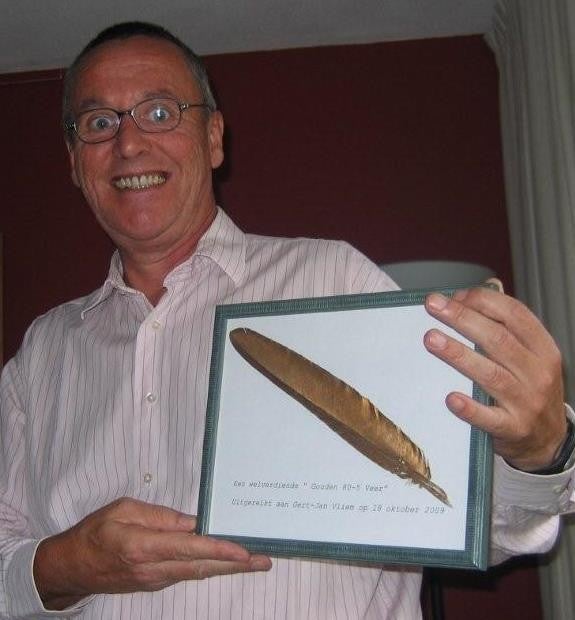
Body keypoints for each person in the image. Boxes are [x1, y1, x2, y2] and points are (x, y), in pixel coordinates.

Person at [0, 21, 573, 620]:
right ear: (75, 162)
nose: (128, 143)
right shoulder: (43, 352)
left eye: (160, 113)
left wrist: (538, 453)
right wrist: (65, 566)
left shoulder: (333, 280)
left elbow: (472, 517)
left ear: (213, 138)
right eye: (99, 122)